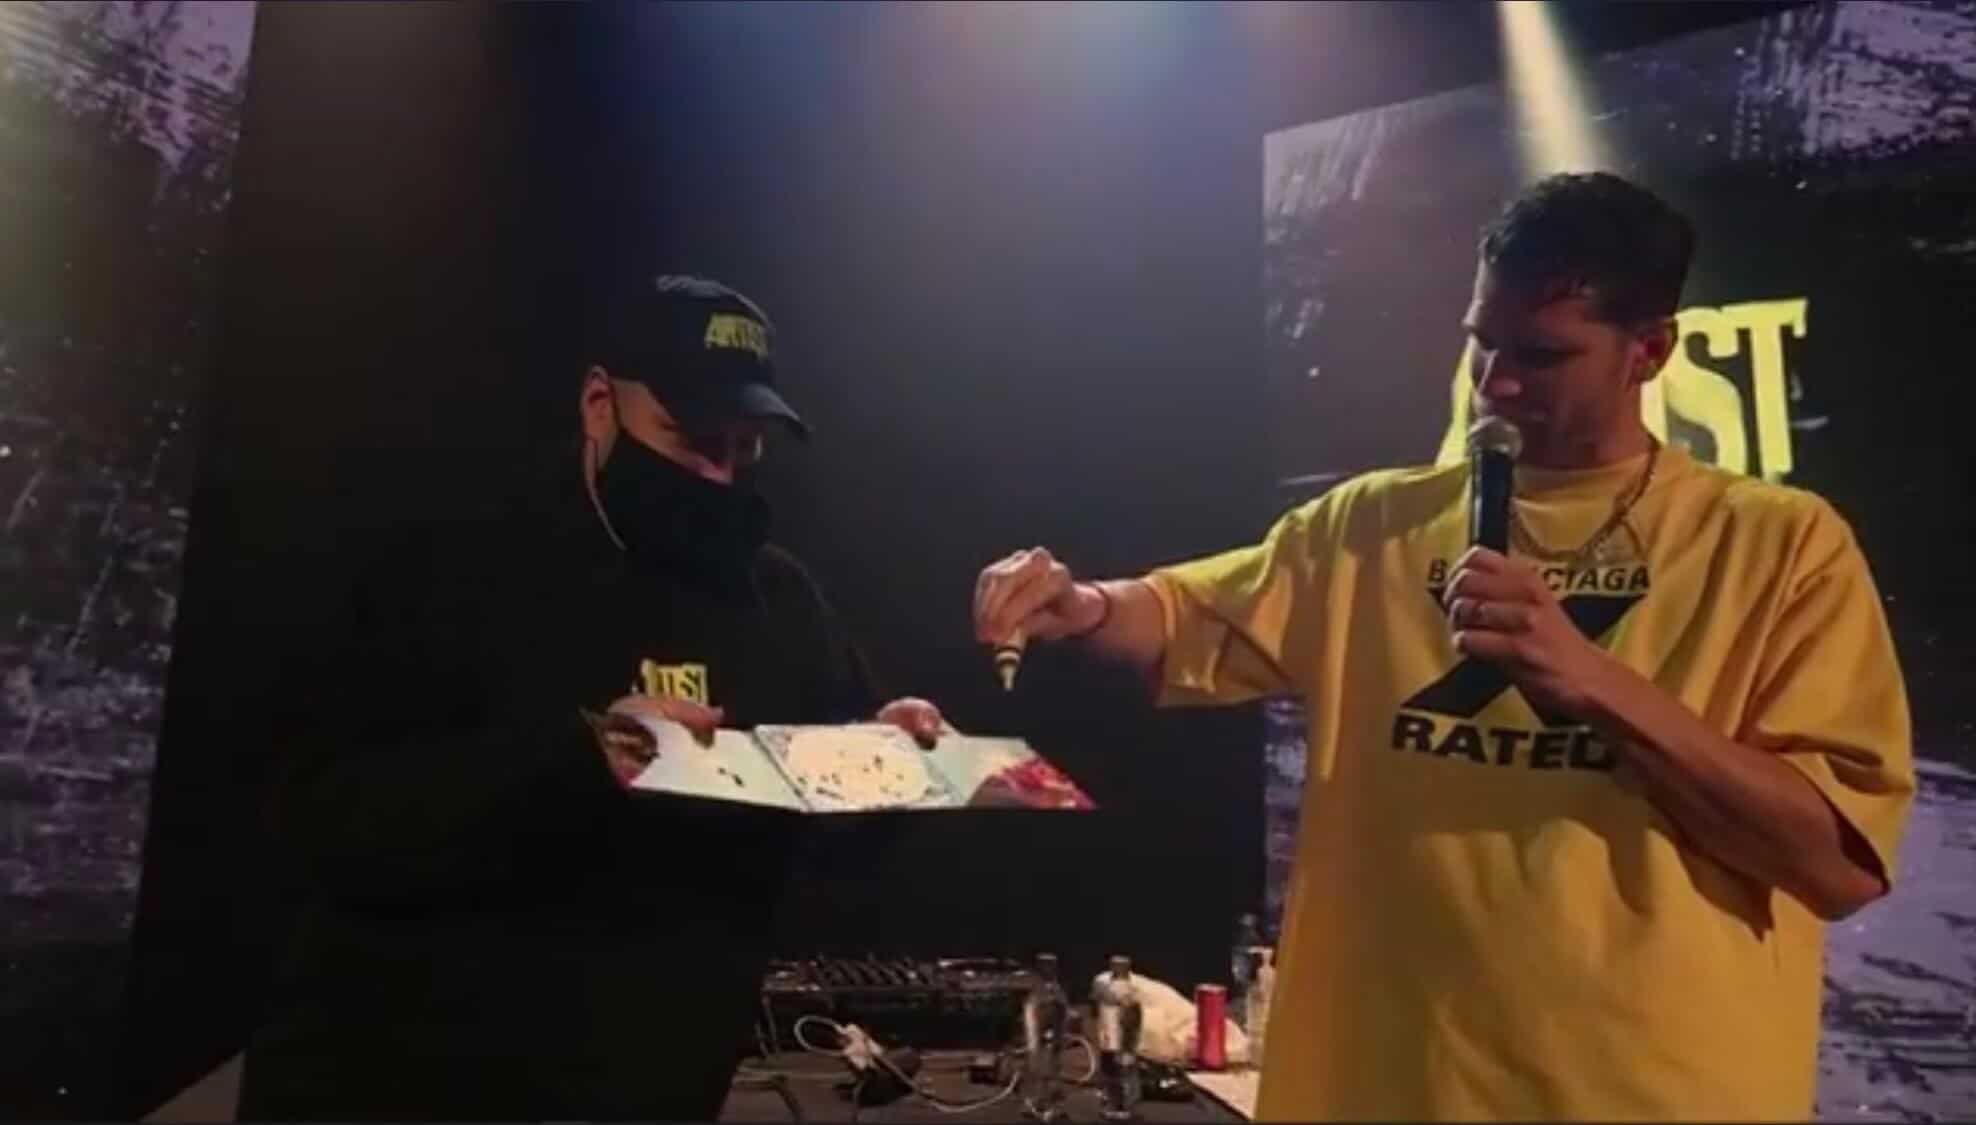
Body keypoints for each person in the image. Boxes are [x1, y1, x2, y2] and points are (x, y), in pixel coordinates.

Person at [972, 173, 1914, 1120]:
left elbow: (1837, 863)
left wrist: (1590, 681)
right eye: (1481, 341)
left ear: (1651, 351)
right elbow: (1185, 616)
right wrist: (1081, 604)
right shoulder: (1373, 523)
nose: (1496, 383)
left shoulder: (1780, 544)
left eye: (1542, 355)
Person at [241, 274, 945, 1120]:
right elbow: (324, 819)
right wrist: (579, 762)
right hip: (401, 1087)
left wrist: (886, 768)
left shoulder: (781, 599)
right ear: (599, 404)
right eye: (692, 438)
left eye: (746, 447)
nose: (719, 476)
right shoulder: (451, 564)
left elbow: (828, 852)